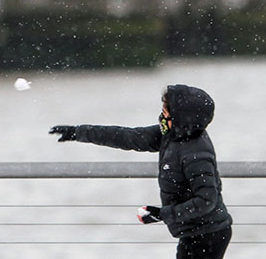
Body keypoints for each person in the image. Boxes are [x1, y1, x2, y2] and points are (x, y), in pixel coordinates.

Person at [49, 84, 232, 259]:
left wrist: (162, 214)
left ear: (181, 117)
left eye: (166, 111)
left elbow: (206, 200)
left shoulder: (196, 154)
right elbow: (128, 137)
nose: (161, 115)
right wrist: (78, 132)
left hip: (209, 234)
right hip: (194, 231)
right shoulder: (173, 136)